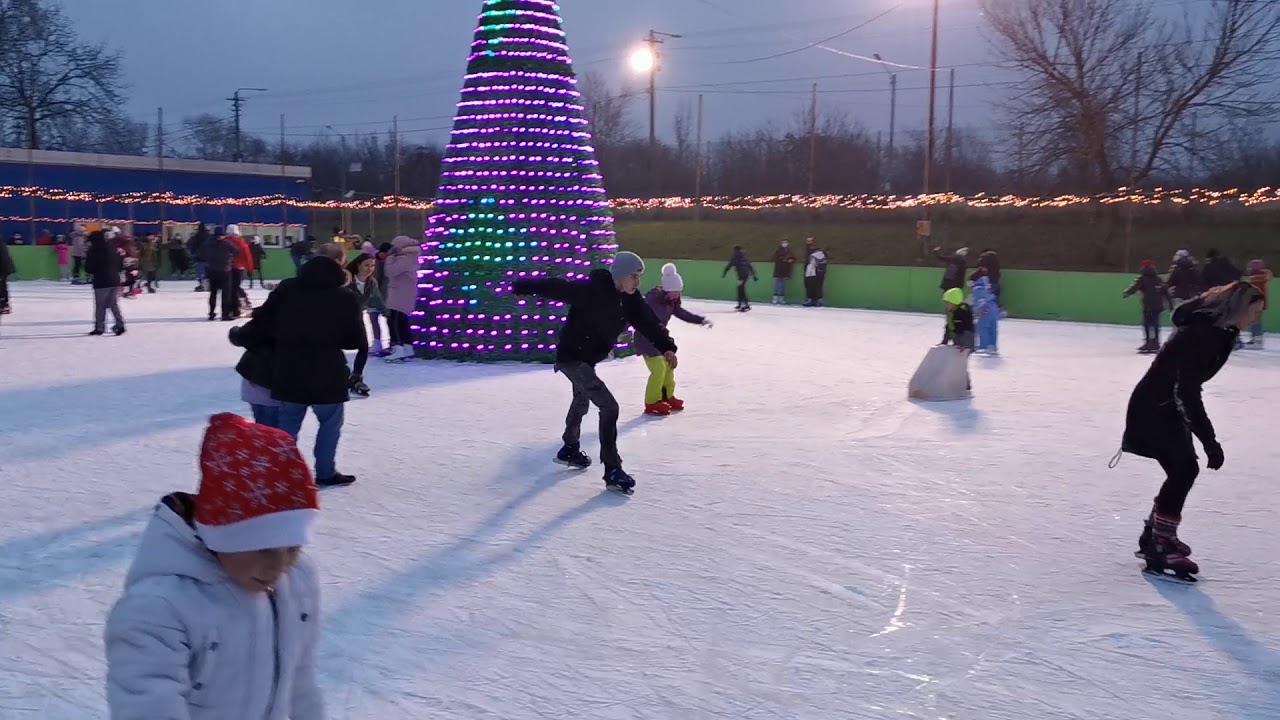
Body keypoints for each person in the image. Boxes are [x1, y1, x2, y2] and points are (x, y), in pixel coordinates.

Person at [104, 413, 324, 720]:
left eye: (293, 547)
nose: (280, 566)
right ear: (221, 535)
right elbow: (148, 704)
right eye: (263, 548)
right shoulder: (158, 607)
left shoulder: (298, 581)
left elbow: (299, 682)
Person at [1119, 282, 1265, 581]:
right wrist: (1209, 440)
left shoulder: (1218, 331)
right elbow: (1186, 389)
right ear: (1239, 307)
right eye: (1255, 310)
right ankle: (1160, 542)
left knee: (1183, 469)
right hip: (1156, 405)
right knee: (1184, 469)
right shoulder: (1205, 334)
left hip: (1165, 403)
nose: (1257, 317)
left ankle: (1155, 536)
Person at [513, 251, 677, 495]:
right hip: (572, 357)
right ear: (621, 275)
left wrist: (666, 347)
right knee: (609, 407)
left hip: (587, 359)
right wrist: (522, 285)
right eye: (634, 276)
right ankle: (612, 469)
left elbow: (649, 323)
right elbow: (558, 287)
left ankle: (569, 449)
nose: (637, 282)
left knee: (581, 400)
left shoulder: (631, 300)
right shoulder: (592, 290)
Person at [239, 243, 366, 487]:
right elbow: (354, 341)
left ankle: (280, 474)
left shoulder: (287, 288)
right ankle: (326, 472)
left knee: (287, 427)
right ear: (340, 263)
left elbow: (264, 322)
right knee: (330, 425)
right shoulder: (345, 297)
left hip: (289, 369)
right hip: (328, 372)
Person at [638, 264, 711, 416]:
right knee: (659, 369)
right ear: (666, 290)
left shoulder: (672, 302)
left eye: (679, 292)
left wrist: (700, 320)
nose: (677, 295)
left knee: (669, 366)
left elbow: (682, 313)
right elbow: (636, 315)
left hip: (662, 338)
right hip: (646, 338)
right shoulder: (652, 299)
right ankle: (652, 402)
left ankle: (667, 397)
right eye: (674, 292)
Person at [229, 319, 281, 428]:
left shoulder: (269, 315)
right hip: (276, 382)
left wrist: (235, 330)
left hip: (256, 377)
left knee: (265, 426)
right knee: (273, 429)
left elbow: (239, 337)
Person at [345, 255, 385, 396]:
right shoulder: (347, 279)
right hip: (340, 318)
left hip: (358, 318)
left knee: (363, 347)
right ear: (358, 265)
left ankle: (356, 377)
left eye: (372, 266)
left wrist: (385, 311)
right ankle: (344, 375)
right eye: (366, 265)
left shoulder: (371, 282)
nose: (370, 269)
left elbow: (377, 298)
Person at [382, 235, 421, 362]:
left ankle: (398, 347)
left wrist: (389, 258)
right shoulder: (409, 257)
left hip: (400, 293)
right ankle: (407, 347)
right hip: (402, 292)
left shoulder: (405, 259)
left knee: (395, 321)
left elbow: (391, 272)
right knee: (401, 321)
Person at [1123, 260, 1170, 353]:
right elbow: (1165, 290)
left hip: (1148, 304)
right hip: (1158, 305)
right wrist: (1169, 302)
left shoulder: (1142, 278)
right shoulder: (1158, 278)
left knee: (1147, 324)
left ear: (1144, 267)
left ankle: (1149, 342)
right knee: (1155, 324)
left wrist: (1127, 293)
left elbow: (1134, 287)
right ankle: (1156, 342)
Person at [204, 226, 237, 321]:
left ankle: (211, 313)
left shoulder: (208, 243)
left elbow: (202, 254)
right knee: (225, 293)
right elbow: (237, 251)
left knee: (213, 293)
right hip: (224, 270)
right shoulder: (227, 243)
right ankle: (225, 314)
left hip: (212, 270)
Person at [1244, 259, 1271, 348]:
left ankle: (1257, 340)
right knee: (1255, 320)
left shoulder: (1256, 277)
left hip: (1256, 302)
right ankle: (1256, 339)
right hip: (1258, 302)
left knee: (1256, 320)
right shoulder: (1261, 276)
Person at [722, 245, 758, 312]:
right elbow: (750, 266)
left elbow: (729, 265)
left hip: (742, 275)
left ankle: (745, 305)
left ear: (736, 250)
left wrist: (724, 273)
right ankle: (741, 303)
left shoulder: (736, 256)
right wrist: (754, 275)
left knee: (740, 289)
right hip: (745, 275)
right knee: (740, 288)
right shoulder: (744, 256)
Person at [971, 273, 999, 355]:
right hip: (993, 308)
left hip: (985, 310)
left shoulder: (977, 289)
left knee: (983, 328)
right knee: (992, 328)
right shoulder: (988, 288)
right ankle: (992, 346)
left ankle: (984, 346)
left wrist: (976, 310)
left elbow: (980, 301)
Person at [771, 240, 796, 305]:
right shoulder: (778, 250)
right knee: (777, 284)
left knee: (783, 285)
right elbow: (775, 257)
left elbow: (793, 258)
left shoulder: (789, 251)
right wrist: (784, 259)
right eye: (784, 243)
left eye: (786, 243)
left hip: (785, 270)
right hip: (778, 270)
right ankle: (775, 298)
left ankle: (781, 298)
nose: (785, 244)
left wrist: (791, 260)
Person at [803, 243, 828, 307]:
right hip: (812, 273)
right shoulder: (811, 256)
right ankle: (813, 300)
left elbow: (821, 265)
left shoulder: (819, 256)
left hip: (817, 274)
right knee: (812, 287)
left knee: (817, 287)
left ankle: (816, 301)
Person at [188, 223, 210, 292]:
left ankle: (201, 285)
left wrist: (193, 252)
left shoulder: (196, 237)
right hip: (208, 257)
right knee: (208, 272)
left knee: (200, 272)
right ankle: (208, 285)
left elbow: (190, 244)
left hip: (198, 257)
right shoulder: (209, 236)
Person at [0, 237, 13, 315]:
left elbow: (3, 258)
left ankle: (4, 304)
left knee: (1, 286)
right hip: (4, 267)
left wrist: (1, 273)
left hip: (3, 268)